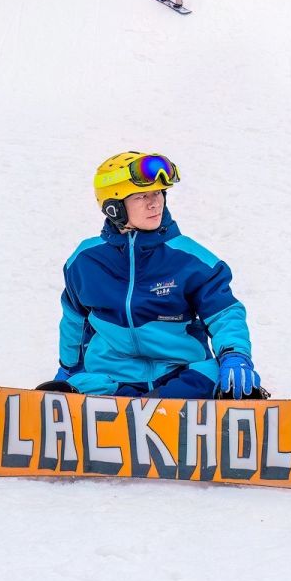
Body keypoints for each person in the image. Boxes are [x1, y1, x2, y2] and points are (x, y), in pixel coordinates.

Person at [43, 152, 260, 399]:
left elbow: (224, 314)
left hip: (180, 375)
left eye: (158, 193)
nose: (154, 203)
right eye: (141, 196)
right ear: (114, 208)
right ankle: (139, 411)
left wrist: (235, 354)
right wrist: (68, 369)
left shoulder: (192, 259)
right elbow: (74, 321)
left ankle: (147, 412)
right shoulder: (85, 261)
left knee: (221, 378)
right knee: (64, 390)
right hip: (112, 378)